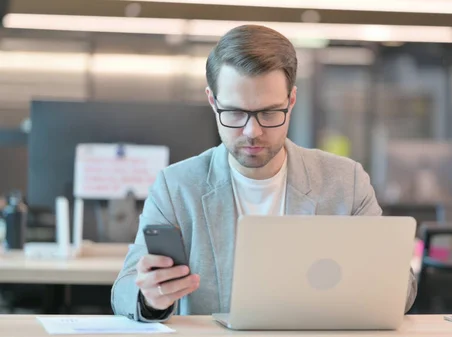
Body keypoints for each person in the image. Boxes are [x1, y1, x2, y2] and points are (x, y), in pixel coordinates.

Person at [111, 24, 417, 322]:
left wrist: (378, 279)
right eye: (235, 113)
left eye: (269, 113)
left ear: (291, 101)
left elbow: (402, 288)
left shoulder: (345, 182)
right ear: (212, 101)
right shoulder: (176, 187)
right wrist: (150, 299)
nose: (252, 131)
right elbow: (124, 289)